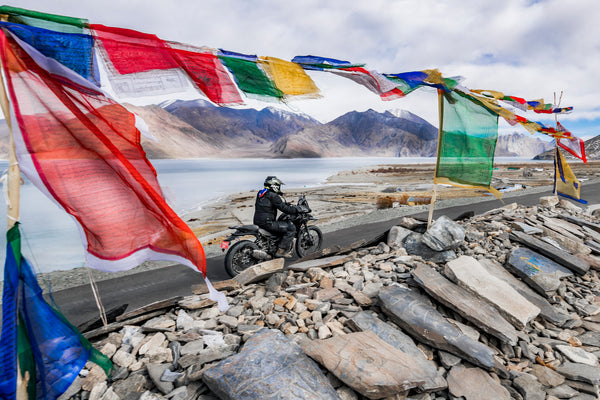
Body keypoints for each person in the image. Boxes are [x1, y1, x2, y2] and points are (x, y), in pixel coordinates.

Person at [253, 176, 300, 258]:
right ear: (274, 186)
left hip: (257, 221)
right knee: (291, 228)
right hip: (268, 223)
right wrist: (296, 210)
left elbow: (273, 204)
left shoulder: (261, 193)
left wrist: (283, 203)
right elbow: (285, 209)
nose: (279, 188)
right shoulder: (273, 196)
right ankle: (281, 250)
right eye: (278, 186)